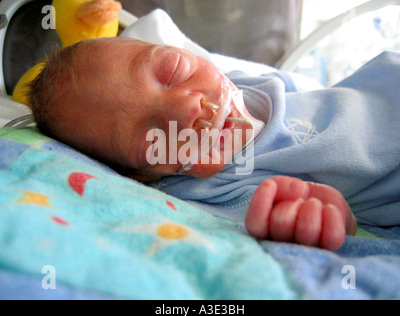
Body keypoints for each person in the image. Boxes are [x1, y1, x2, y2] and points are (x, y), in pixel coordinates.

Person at [28, 37, 400, 251]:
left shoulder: (239, 82)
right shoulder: (229, 189)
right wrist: (323, 222)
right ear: (143, 175)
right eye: (153, 136)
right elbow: (308, 227)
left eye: (173, 70)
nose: (188, 108)